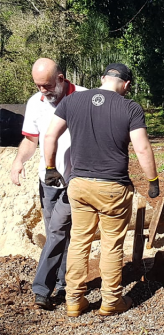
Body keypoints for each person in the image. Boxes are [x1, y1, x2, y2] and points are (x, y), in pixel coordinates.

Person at [43, 63, 159, 317]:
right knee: (111, 245)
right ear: (126, 84)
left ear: (103, 78)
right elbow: (142, 149)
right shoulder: (130, 107)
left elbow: (50, 136)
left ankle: (74, 300)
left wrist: (51, 168)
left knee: (79, 242)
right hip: (113, 188)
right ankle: (110, 301)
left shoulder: (72, 101)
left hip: (80, 184)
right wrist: (152, 180)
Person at [10, 58, 86, 310]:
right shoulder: (35, 103)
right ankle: (62, 284)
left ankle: (42, 288)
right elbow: (31, 140)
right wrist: (19, 161)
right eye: (38, 85)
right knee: (57, 233)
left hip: (78, 180)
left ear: (61, 79)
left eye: (48, 85)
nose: (43, 91)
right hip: (50, 181)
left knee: (60, 233)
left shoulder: (84, 98)